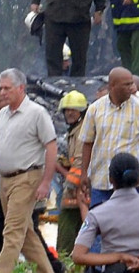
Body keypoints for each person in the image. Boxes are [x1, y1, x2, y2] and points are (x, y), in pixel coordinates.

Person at [0, 68, 57, 273]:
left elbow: (51, 147)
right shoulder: (2, 115)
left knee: (12, 233)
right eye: (1, 88)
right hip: (4, 182)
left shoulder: (36, 113)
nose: (2, 92)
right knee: (26, 235)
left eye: (7, 88)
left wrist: (46, 182)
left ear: (21, 88)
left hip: (26, 178)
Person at [79, 67, 139, 210]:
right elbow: (87, 142)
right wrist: (84, 173)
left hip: (130, 184)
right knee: (100, 228)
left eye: (131, 83)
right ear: (112, 86)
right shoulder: (95, 109)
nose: (132, 88)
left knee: (130, 227)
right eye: (127, 84)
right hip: (101, 182)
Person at [55, 91, 90, 254]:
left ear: (81, 112)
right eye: (67, 110)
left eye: (73, 110)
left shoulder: (82, 131)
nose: (69, 113)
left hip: (76, 191)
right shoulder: (76, 130)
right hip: (79, 191)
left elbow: (80, 161)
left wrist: (70, 184)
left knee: (68, 233)